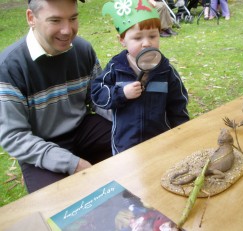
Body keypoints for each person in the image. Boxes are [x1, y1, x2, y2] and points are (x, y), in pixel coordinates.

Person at [0, 0, 112, 193]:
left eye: (73, 18)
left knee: (132, 137)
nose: (67, 30)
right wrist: (72, 164)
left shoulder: (83, 49)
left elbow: (98, 98)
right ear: (31, 18)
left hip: (83, 129)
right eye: (55, 20)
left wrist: (128, 118)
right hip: (39, 145)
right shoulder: (10, 67)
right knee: (58, 203)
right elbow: (13, 136)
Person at [91, 0, 190, 154]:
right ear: (122, 40)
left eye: (153, 36)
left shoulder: (165, 70)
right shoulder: (116, 67)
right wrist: (121, 93)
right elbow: (97, 95)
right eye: (138, 38)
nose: (146, 43)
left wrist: (182, 134)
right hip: (125, 145)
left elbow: (178, 106)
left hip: (161, 144)